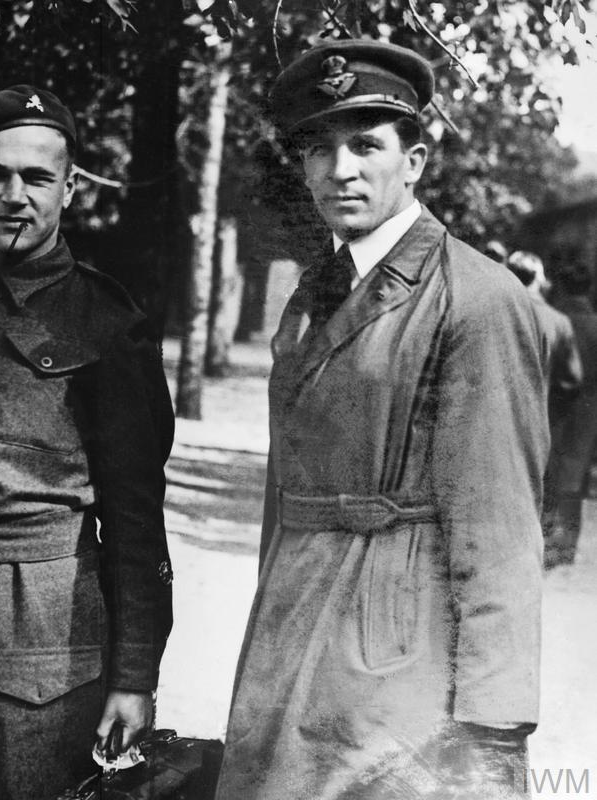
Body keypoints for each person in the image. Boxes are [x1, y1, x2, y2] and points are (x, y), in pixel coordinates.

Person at [216, 40, 549, 800]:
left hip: (401, 647)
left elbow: (499, 534)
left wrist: (495, 734)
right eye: (320, 149)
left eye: (367, 144)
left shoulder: (477, 299)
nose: (342, 169)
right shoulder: (314, 293)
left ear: (416, 161)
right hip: (290, 627)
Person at [0, 86, 174, 800]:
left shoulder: (106, 320)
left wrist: (134, 676)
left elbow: (134, 515)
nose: (15, 195)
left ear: (69, 188)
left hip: (44, 623)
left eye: (36, 178)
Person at [506, 251, 583, 566]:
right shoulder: (558, 321)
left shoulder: (495, 313)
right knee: (540, 486)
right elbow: (572, 379)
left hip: (498, 420)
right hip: (543, 422)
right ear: (538, 278)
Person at [545, 258, 597, 565]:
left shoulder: (554, 322)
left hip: (554, 406)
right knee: (574, 481)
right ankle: (567, 546)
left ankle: (547, 539)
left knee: (548, 472)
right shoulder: (595, 325)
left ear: (563, 288)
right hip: (588, 410)